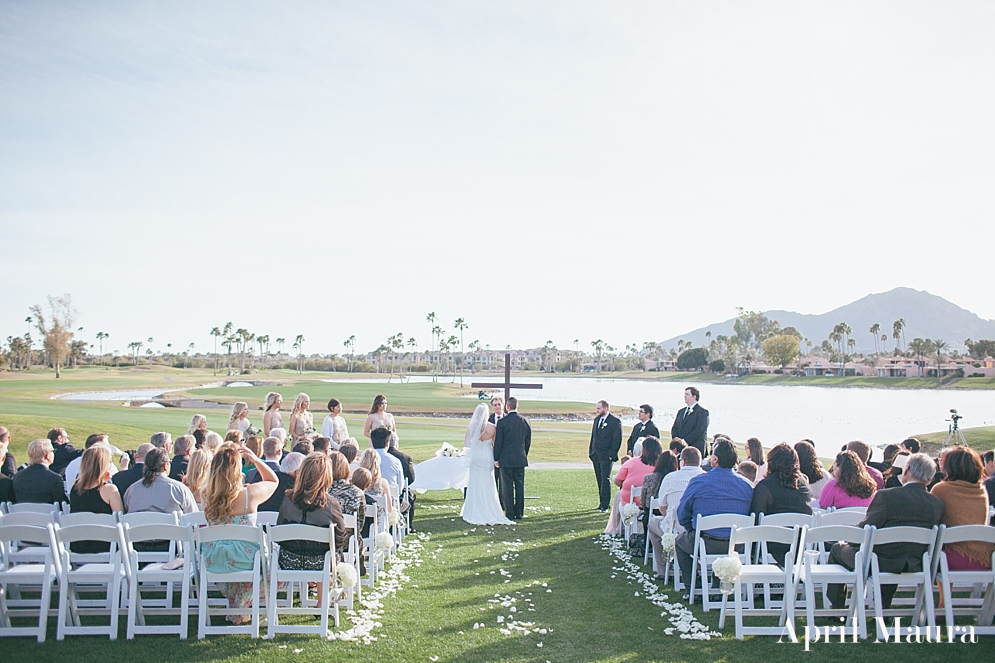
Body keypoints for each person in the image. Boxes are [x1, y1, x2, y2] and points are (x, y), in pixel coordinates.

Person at [828, 453, 944, 609]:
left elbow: (866, 530)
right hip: (916, 562)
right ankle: (883, 607)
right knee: (895, 551)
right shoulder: (936, 503)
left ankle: (837, 608)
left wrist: (848, 542)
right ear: (930, 478)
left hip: (880, 562)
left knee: (837, 549)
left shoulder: (887, 496)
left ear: (907, 470)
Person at [201, 444, 277, 624]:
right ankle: (242, 606)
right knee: (272, 553)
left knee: (251, 553)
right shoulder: (249, 494)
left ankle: (239, 607)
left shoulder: (205, 495)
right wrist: (256, 460)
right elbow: (273, 481)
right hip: (246, 557)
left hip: (215, 557)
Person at [675, 438, 753, 590]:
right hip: (737, 544)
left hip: (705, 542)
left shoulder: (699, 481)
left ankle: (693, 586)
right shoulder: (748, 486)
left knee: (680, 542)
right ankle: (719, 585)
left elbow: (683, 511)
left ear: (715, 460)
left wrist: (690, 528)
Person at [277, 453, 348, 568]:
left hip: (288, 560)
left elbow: (279, 528)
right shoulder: (331, 504)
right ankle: (321, 584)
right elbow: (340, 538)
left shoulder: (287, 500)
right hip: (321, 563)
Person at [930, 446, 994, 570]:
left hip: (950, 557)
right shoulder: (981, 491)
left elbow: (932, 519)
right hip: (983, 558)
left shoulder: (940, 489)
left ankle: (944, 590)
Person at [750, 443, 812, 564]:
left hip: (770, 547)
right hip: (799, 546)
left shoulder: (765, 487)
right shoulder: (804, 484)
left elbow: (755, 519)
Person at [460, 403, 513, 526]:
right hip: (487, 456)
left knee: (475, 481)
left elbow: (467, 445)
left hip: (476, 456)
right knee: (488, 482)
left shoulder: (471, 427)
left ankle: (474, 508)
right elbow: (495, 444)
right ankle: (490, 508)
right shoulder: (493, 427)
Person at [69, 446, 123, 553]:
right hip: (105, 545)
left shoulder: (75, 487)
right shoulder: (109, 489)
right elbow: (119, 519)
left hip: (78, 543)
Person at [123, 448, 198, 515]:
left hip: (138, 530)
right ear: (166, 465)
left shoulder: (132, 490)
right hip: (171, 530)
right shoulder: (179, 489)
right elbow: (194, 518)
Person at [493, 396, 531, 521]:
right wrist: (524, 453)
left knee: (507, 486)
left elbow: (499, 442)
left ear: (507, 407)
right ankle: (519, 512)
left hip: (506, 459)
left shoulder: (503, 422)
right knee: (519, 486)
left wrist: (496, 458)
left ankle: (510, 513)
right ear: (517, 406)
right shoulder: (525, 420)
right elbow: (527, 441)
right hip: (520, 458)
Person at [589, 400, 622, 512]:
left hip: (606, 456)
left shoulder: (614, 422)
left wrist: (611, 455)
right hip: (596, 455)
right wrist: (591, 451)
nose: (597, 411)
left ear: (606, 408)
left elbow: (617, 440)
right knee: (599, 479)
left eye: (599, 408)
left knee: (605, 479)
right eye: (597, 408)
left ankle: (605, 504)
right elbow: (594, 437)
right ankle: (601, 503)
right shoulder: (597, 420)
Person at [13, 438, 69, 504]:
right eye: (53, 451)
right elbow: (63, 504)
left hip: (20, 513)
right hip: (48, 513)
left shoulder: (18, 476)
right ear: (47, 456)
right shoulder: (54, 479)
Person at [614, 437, 662, 508]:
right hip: (654, 505)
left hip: (630, 504)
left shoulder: (631, 462)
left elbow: (618, 480)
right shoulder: (662, 465)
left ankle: (616, 519)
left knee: (618, 497)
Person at [639, 449, 678, 533]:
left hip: (653, 513)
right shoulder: (677, 480)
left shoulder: (649, 478)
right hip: (672, 514)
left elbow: (643, 501)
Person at [329, 451, 366, 535]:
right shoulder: (357, 493)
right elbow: (359, 525)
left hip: (322, 541)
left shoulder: (319, 491)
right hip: (348, 541)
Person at [387, 437, 417, 531]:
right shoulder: (405, 457)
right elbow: (411, 479)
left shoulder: (374, 456)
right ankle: (409, 525)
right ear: (396, 444)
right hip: (397, 491)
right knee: (410, 497)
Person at [670, 387, 709, 457]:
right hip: (679, 450)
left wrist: (684, 441)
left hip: (695, 449)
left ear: (694, 396)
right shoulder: (681, 411)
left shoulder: (702, 412)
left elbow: (699, 430)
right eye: (684, 394)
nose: (684, 396)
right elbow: (674, 427)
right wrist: (677, 442)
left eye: (687, 394)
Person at [370, 426, 403, 498]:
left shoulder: (365, 459)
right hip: (390, 500)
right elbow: (400, 487)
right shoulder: (395, 461)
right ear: (387, 443)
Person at [488, 396, 505, 506]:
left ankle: (502, 501)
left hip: (504, 453)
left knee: (503, 480)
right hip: (490, 452)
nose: (497, 407)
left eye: (499, 404)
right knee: (493, 478)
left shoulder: (508, 418)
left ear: (503, 405)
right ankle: (492, 501)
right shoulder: (488, 419)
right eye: (495, 405)